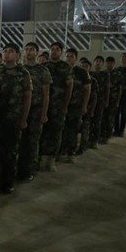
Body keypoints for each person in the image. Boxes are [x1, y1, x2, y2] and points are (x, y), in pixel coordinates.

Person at [0, 43, 32, 194]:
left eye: (11, 51)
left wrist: (24, 119)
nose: (7, 54)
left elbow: (27, 97)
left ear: (18, 55)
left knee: (11, 151)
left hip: (13, 118)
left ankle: (8, 182)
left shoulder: (23, 73)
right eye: (5, 51)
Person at [17, 42, 51, 181]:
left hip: (36, 111)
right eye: (27, 49)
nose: (29, 52)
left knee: (32, 141)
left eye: (32, 50)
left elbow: (46, 94)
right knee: (19, 141)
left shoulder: (43, 71)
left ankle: (29, 170)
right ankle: (18, 169)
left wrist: (44, 113)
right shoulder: (20, 69)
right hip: (20, 109)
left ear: (37, 53)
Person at [39, 42, 73, 172]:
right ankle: (41, 157)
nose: (54, 51)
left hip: (58, 106)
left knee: (56, 132)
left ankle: (52, 159)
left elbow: (69, 87)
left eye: (57, 49)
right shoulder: (44, 66)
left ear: (61, 52)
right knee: (43, 132)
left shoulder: (66, 67)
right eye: (52, 49)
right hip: (44, 105)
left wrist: (65, 105)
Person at [58, 48, 91, 163]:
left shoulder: (81, 72)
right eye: (67, 56)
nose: (68, 58)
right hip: (60, 106)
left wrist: (84, 105)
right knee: (60, 129)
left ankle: (70, 153)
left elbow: (87, 90)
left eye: (71, 56)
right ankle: (60, 150)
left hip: (75, 106)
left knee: (73, 129)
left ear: (76, 58)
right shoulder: (61, 70)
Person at [114, 52, 126, 137]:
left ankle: (121, 131)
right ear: (120, 59)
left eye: (125, 57)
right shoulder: (117, 69)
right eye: (122, 57)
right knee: (116, 112)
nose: (124, 58)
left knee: (124, 112)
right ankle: (116, 130)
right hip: (117, 93)